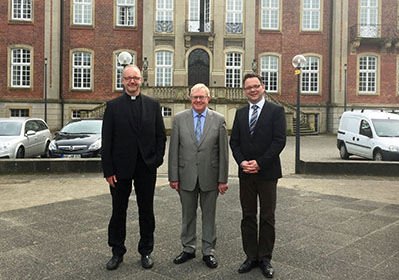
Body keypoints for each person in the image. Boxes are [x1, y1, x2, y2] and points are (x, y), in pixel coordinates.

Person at [101, 64, 166, 271]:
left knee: (146, 211)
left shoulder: (153, 105)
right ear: (122, 80)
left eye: (135, 78)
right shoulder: (113, 106)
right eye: (128, 78)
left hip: (146, 167)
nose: (132, 81)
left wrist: (156, 160)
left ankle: (146, 250)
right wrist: (108, 171)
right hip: (120, 169)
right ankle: (117, 251)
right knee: (118, 211)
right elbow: (107, 141)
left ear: (141, 80)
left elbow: (160, 136)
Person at [230, 73, 286, 278]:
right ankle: (251, 256)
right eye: (248, 87)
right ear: (244, 90)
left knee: (267, 216)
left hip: (267, 172)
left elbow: (279, 141)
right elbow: (234, 141)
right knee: (247, 216)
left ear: (263, 87)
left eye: (256, 86)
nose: (252, 90)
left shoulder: (276, 111)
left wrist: (260, 163)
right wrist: (242, 162)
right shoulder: (240, 112)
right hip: (246, 173)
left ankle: (265, 258)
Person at [168, 83, 229, 269]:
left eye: (202, 97)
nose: (198, 100)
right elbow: (173, 151)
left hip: (210, 176)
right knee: (188, 215)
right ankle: (188, 248)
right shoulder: (179, 119)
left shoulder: (219, 120)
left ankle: (208, 250)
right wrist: (173, 176)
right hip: (185, 175)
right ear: (190, 99)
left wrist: (223, 179)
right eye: (195, 97)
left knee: (209, 215)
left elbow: (223, 153)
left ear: (208, 99)